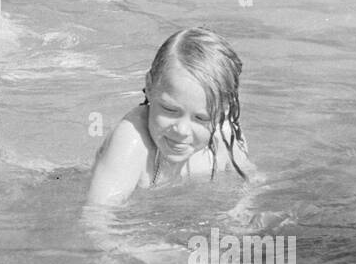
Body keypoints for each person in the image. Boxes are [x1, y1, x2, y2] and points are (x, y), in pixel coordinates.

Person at [85, 27, 253, 207]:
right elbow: (97, 216)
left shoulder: (226, 135)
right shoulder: (132, 139)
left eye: (201, 118)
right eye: (170, 109)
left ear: (223, 110)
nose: (181, 130)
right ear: (149, 87)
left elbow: (249, 186)